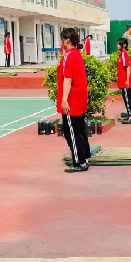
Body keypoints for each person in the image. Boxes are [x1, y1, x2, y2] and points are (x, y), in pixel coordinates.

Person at [58, 28, 91, 173]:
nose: (60, 42)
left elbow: (68, 79)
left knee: (71, 132)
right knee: (80, 130)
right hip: (80, 98)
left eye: (61, 39)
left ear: (67, 40)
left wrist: (64, 100)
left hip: (72, 100)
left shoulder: (69, 56)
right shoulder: (78, 54)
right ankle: (84, 158)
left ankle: (79, 162)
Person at [116, 38, 131, 123]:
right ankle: (130, 115)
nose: (117, 45)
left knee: (127, 99)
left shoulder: (124, 54)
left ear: (124, 45)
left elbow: (128, 67)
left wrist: (127, 80)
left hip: (125, 81)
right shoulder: (121, 54)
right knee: (126, 98)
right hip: (123, 80)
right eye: (117, 44)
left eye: (119, 44)